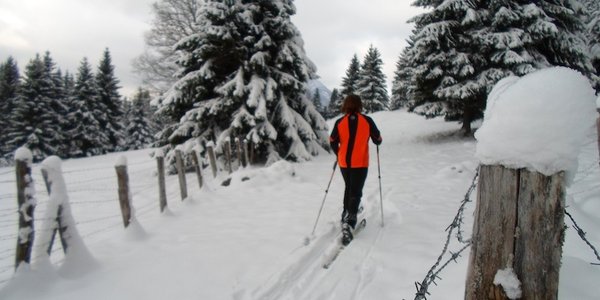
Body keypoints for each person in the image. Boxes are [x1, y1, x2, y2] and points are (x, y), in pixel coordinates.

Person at [329, 94, 382, 245]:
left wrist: (338, 153)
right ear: (360, 105)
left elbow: (332, 140)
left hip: (344, 163)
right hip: (360, 162)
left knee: (349, 187)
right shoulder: (367, 120)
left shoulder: (340, 122)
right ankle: (349, 221)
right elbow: (378, 139)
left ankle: (346, 212)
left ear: (345, 105)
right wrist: (376, 139)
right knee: (356, 191)